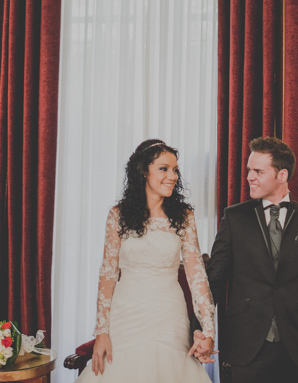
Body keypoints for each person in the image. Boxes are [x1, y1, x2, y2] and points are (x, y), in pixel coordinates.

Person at [76, 139, 216, 382]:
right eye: (164, 168)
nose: (172, 176)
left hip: (169, 314)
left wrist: (209, 331)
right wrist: (102, 331)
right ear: (143, 171)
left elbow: (197, 277)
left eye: (175, 170)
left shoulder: (184, 217)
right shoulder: (117, 215)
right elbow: (107, 275)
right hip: (126, 314)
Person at [205, 136, 298, 383]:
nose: (249, 177)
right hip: (246, 345)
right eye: (249, 170)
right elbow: (213, 280)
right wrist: (201, 329)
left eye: (258, 171)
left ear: (282, 175)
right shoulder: (234, 218)